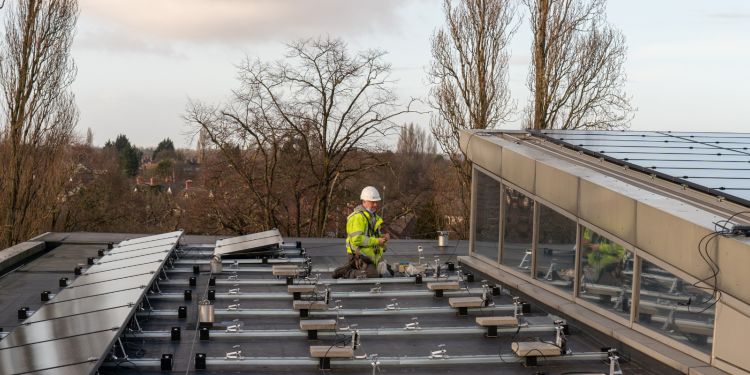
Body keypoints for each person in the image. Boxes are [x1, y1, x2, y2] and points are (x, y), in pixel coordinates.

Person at [333, 186, 392, 279]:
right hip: (358, 256)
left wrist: (383, 237)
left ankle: (350, 267)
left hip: (368, 256)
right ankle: (347, 271)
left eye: (376, 202)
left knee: (389, 272)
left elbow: (373, 236)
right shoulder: (357, 217)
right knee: (372, 275)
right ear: (364, 201)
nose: (376, 205)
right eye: (373, 202)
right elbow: (357, 239)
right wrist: (377, 241)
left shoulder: (373, 217)